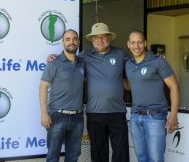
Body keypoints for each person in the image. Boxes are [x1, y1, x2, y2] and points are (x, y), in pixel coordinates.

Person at [48, 23, 130, 162]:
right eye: (96, 37)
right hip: (94, 113)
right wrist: (55, 57)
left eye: (103, 36)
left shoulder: (120, 54)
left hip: (117, 112)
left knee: (121, 152)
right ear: (91, 40)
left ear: (109, 38)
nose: (100, 40)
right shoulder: (84, 56)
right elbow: (69, 59)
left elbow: (137, 64)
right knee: (98, 152)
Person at [125, 30, 180, 162]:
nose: (136, 46)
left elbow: (174, 86)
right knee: (141, 158)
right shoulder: (128, 64)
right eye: (133, 42)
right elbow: (130, 86)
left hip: (155, 117)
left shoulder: (158, 62)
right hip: (135, 117)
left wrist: (173, 114)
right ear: (128, 44)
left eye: (139, 42)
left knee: (155, 159)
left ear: (145, 43)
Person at [40, 29, 85, 162]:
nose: (72, 42)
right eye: (68, 39)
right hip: (57, 117)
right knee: (53, 156)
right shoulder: (54, 62)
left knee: (73, 157)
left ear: (78, 42)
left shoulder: (82, 63)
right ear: (63, 42)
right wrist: (44, 113)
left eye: (75, 39)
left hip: (77, 117)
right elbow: (43, 88)